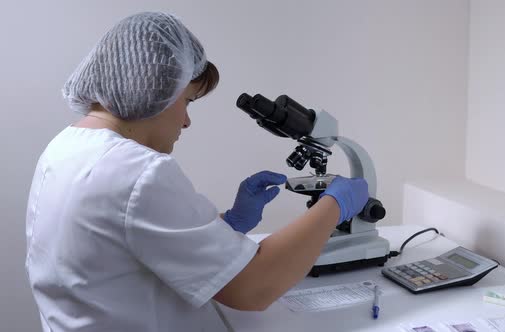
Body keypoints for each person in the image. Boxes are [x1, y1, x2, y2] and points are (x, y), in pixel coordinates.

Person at [25, 12, 369, 331]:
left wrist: (229, 223)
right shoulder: (138, 171)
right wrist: (335, 203)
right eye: (186, 101)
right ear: (153, 87)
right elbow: (253, 289)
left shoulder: (65, 147)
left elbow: (130, 242)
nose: (187, 121)